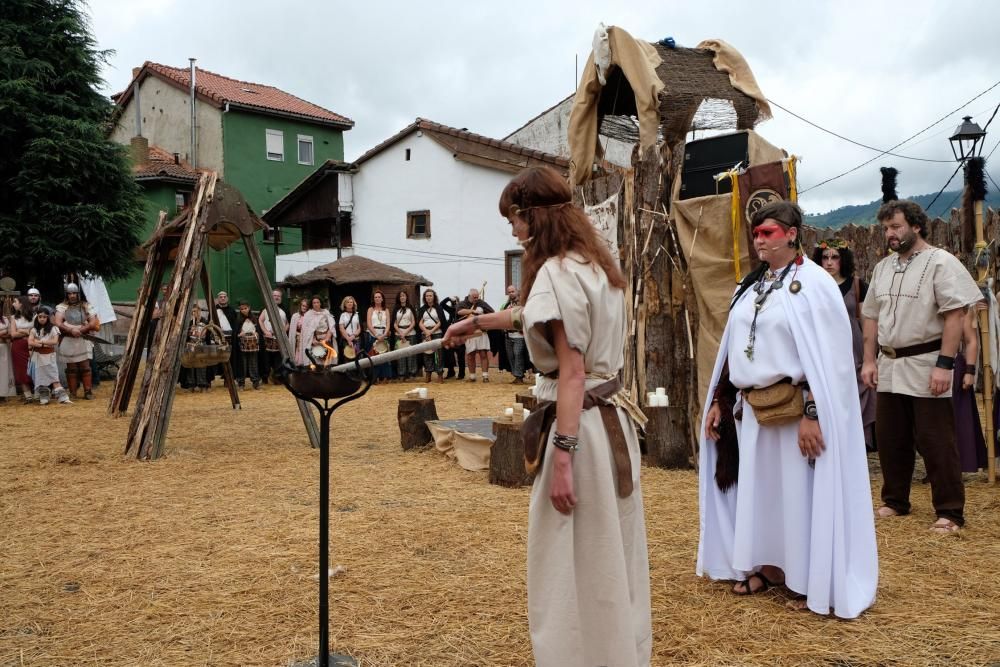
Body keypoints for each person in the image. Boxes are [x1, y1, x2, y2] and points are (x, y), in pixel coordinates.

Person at [444, 166, 650, 666]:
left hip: (578, 425)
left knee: (569, 555)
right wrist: (476, 322)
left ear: (533, 216)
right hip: (610, 424)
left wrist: (562, 456)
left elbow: (572, 372)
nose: (512, 230)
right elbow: (533, 317)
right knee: (608, 549)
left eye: (514, 219)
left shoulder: (557, 273)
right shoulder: (599, 263)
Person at [699, 200, 877, 619]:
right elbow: (733, 350)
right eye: (756, 233)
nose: (760, 240)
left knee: (800, 495)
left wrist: (813, 413)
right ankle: (767, 567)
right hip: (755, 412)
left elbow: (829, 359)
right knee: (760, 494)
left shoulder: (815, 285)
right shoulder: (751, 284)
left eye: (769, 232)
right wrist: (721, 402)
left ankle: (808, 578)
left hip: (797, 410)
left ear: (792, 234)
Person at [861, 200, 982, 534]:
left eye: (896, 226)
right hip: (889, 364)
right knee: (891, 438)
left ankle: (949, 511)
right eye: (886, 228)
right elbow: (870, 315)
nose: (890, 234)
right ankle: (896, 501)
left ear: (916, 226)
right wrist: (870, 360)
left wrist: (945, 365)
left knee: (936, 440)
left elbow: (955, 314)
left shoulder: (941, 262)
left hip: (927, 362)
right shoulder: (883, 267)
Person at [812, 240, 876, 449]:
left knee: (858, 397)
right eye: (825, 257)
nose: (829, 262)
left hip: (853, 351)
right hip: (824, 349)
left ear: (843, 260)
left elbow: (867, 322)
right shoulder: (812, 287)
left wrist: (869, 356)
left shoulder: (857, 285)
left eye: (835, 257)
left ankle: (859, 445)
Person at [953, 302, 987, 472]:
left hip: (955, 367)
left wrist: (969, 370)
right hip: (924, 365)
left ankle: (956, 465)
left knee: (958, 419)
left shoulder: (962, 304)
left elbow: (971, 340)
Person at [54, 283, 99, 400]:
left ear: (79, 294)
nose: (72, 295)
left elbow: (93, 322)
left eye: (74, 293)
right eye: (70, 293)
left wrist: (82, 329)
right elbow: (58, 322)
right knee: (71, 368)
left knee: (85, 366)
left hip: (83, 338)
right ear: (66, 294)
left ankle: (88, 392)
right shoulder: (61, 307)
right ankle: (73, 393)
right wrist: (71, 330)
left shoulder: (86, 305)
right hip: (68, 338)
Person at [28, 307, 71, 404]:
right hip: (38, 357)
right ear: (37, 318)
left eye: (44, 317)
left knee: (54, 377)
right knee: (40, 377)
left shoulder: (53, 328)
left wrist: (40, 343)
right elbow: (30, 342)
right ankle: (44, 397)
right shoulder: (34, 330)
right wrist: (42, 343)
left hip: (49, 356)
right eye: (40, 317)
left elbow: (54, 341)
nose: (42, 319)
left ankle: (63, 398)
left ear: (48, 318)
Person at [457, 288, 495, 382]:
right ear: (469, 296)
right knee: (470, 355)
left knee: (483, 354)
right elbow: (459, 312)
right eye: (474, 297)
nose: (476, 299)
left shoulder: (481, 302)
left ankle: (485, 376)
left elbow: (492, 312)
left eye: (477, 297)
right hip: (469, 332)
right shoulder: (463, 303)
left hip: (481, 332)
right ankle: (472, 376)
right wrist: (472, 312)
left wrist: (482, 316)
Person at [258, 288, 288, 383]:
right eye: (274, 295)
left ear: (281, 298)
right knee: (266, 359)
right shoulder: (266, 308)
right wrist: (266, 331)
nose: (276, 297)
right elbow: (260, 320)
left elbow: (288, 323)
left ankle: (277, 378)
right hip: (268, 338)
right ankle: (265, 377)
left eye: (278, 296)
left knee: (279, 359)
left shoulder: (284, 309)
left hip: (279, 338)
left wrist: (283, 332)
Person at [500, 284, 528, 384]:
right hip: (508, 334)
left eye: (513, 291)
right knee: (511, 356)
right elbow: (501, 315)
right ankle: (516, 374)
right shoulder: (506, 304)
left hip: (519, 335)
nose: (511, 293)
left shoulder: (523, 303)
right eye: (509, 292)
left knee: (518, 354)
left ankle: (519, 376)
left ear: (517, 291)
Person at [9, 296, 35, 401]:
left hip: (32, 344)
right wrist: (26, 331)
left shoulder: (34, 316)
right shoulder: (13, 318)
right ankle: (28, 395)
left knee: (34, 367)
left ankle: (38, 392)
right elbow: (13, 334)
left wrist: (22, 331)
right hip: (18, 346)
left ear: (21, 304)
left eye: (15, 302)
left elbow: (36, 331)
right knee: (21, 369)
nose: (13, 304)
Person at [417, 289, 446, 384]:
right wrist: (426, 332)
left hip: (437, 332)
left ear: (434, 297)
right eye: (427, 296)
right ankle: (428, 374)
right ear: (424, 297)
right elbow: (420, 322)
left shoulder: (438, 308)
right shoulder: (422, 309)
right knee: (427, 354)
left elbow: (441, 321)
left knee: (438, 355)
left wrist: (431, 331)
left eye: (430, 295)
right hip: (425, 333)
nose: (428, 297)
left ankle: (440, 374)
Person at [300, 296, 337, 366]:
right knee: (316, 362)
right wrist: (313, 340)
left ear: (320, 303)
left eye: (317, 302)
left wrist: (327, 338)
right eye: (314, 303)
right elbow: (307, 330)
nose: (316, 304)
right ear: (312, 304)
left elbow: (331, 326)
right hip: (315, 340)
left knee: (328, 361)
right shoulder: (308, 314)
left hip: (326, 338)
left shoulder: (326, 312)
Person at [366, 290, 392, 383]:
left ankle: (385, 377)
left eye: (379, 297)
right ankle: (375, 377)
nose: (377, 299)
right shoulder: (370, 309)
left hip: (384, 333)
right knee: (374, 356)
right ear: (374, 299)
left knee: (384, 356)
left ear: (382, 299)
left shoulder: (386, 310)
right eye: (375, 297)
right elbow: (369, 323)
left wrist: (385, 334)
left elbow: (388, 323)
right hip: (373, 334)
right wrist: (376, 335)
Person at [235, 300, 262, 390]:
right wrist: (239, 335)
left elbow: (258, 330)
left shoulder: (254, 318)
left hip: (253, 345)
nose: (244, 310)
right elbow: (236, 333)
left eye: (245, 308)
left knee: (253, 363)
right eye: (242, 309)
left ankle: (255, 382)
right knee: (243, 364)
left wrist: (257, 333)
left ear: (249, 308)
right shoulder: (238, 319)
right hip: (242, 345)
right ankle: (241, 383)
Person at [392, 291, 418, 381]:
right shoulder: (396, 309)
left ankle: (412, 373)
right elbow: (394, 323)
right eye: (400, 296)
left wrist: (406, 332)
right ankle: (401, 374)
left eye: (404, 296)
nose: (402, 297)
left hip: (410, 333)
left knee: (411, 354)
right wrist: (401, 333)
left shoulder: (410, 308)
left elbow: (414, 322)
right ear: (398, 298)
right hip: (399, 333)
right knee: (401, 355)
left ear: (406, 297)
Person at [214, 290, 239, 384]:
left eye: (224, 297)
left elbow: (235, 324)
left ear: (227, 298)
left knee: (229, 358)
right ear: (218, 299)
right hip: (217, 338)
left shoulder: (232, 310)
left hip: (229, 338)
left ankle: (228, 380)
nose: (223, 298)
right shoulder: (214, 310)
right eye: (221, 297)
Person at [439, 295, 465, 380]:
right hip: (451, 335)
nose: (455, 303)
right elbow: (442, 304)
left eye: (456, 301)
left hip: (460, 335)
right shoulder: (452, 310)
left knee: (461, 355)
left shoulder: (462, 311)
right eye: (453, 302)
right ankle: (451, 372)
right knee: (449, 354)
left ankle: (461, 374)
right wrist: (448, 298)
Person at [337, 296, 363, 361]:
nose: (349, 303)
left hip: (356, 339)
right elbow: (341, 328)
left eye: (351, 302)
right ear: (345, 304)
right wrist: (348, 339)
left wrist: (353, 336)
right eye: (348, 302)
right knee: (347, 359)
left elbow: (359, 328)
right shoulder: (342, 315)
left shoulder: (357, 314)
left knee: (358, 359)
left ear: (353, 304)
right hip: (346, 340)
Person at [288, 298, 310, 366]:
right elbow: (292, 330)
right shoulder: (295, 316)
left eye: (306, 306)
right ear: (300, 306)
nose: (304, 307)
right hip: (298, 338)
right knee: (298, 351)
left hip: (306, 338)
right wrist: (297, 334)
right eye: (303, 306)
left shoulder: (310, 316)